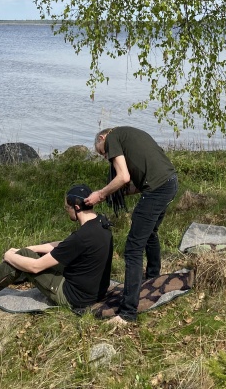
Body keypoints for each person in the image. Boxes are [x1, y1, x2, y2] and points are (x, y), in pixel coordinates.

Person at [0, 184, 113, 311]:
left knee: (24, 259)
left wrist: (10, 256)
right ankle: (15, 272)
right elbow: (63, 245)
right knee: (33, 252)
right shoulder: (99, 223)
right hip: (93, 290)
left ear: (76, 208)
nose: (66, 211)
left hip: (74, 297)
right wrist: (32, 248)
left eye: (67, 208)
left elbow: (36, 267)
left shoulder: (81, 237)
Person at [86, 126, 178, 325]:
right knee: (150, 232)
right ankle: (153, 276)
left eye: (103, 152)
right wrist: (117, 192)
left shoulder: (113, 138)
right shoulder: (131, 134)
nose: (106, 157)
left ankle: (127, 313)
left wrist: (100, 194)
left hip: (159, 189)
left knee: (133, 249)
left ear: (102, 138)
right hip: (171, 182)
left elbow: (123, 177)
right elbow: (139, 180)